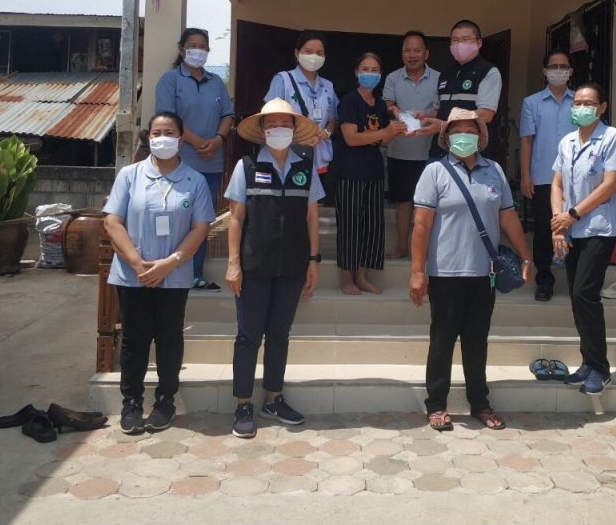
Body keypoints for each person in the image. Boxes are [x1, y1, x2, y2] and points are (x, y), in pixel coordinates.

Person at [410, 108, 533, 432]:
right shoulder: (434, 172)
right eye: (457, 130)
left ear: (480, 136)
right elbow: (421, 225)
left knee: (477, 341)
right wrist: (417, 271)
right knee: (442, 340)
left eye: (470, 130)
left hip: (484, 272)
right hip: (445, 273)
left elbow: (508, 217)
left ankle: (480, 403)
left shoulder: (494, 171)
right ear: (446, 136)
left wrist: (526, 256)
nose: (463, 136)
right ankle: (436, 404)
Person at [103, 111, 215, 434]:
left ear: (181, 138)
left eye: (169, 132)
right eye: (156, 133)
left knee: (169, 338)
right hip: (133, 274)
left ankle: (165, 401)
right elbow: (112, 222)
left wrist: (170, 262)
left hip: (174, 275)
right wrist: (137, 263)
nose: (162, 138)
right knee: (134, 339)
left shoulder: (194, 181)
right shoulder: (130, 175)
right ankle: (132, 403)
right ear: (149, 137)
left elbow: (200, 228)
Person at [224, 99, 324, 439]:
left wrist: (313, 261)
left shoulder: (305, 167)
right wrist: (233, 264)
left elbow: (312, 217)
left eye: (284, 124)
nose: (278, 129)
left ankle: (273, 399)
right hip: (253, 265)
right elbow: (236, 219)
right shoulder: (247, 166)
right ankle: (243, 405)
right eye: (272, 124)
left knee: (280, 335)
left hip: (293, 265)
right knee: (248, 336)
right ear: (262, 130)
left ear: (294, 129)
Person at [549, 84, 616, 396]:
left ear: (602, 107)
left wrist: (572, 214)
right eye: (577, 103)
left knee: (585, 293)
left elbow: (610, 185)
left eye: (588, 103)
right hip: (571, 227)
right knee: (576, 295)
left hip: (599, 227)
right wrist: (559, 223)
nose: (581, 107)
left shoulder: (612, 137)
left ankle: (600, 369)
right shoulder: (567, 141)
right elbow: (557, 184)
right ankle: (587, 362)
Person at [154, 27, 234, 290]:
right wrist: (198, 142)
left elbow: (228, 115)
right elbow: (167, 119)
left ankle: (195, 273)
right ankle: (167, 270)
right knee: (176, 218)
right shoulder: (170, 80)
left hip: (211, 163)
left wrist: (218, 140)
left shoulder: (217, 82)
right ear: (182, 50)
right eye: (192, 46)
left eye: (203, 46)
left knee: (202, 220)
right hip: (178, 162)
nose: (198, 51)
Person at [335, 53, 405, 295]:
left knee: (372, 226)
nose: (370, 74)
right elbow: (351, 138)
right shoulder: (349, 101)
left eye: (375, 70)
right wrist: (384, 133)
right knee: (350, 225)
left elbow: (383, 140)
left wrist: (399, 130)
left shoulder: (380, 104)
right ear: (356, 72)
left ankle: (363, 276)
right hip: (350, 172)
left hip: (374, 171)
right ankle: (347, 278)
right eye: (365, 69)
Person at [519, 50, 575, 302]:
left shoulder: (580, 101)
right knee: (544, 229)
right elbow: (526, 141)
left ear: (571, 71)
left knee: (576, 227)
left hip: (576, 178)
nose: (558, 71)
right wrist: (525, 175)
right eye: (553, 66)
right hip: (543, 176)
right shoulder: (532, 103)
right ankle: (544, 280)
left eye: (564, 66)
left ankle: (576, 280)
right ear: (544, 71)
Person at [383, 31, 440, 258]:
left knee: (427, 203)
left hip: (429, 150)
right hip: (399, 149)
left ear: (426, 53)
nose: (412, 55)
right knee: (403, 201)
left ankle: (423, 248)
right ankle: (402, 246)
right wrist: (396, 111)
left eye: (417, 50)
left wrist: (426, 116)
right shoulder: (393, 78)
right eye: (407, 50)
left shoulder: (439, 78)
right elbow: (388, 104)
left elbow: (440, 110)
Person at [420, 20, 502, 146]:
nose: (459, 44)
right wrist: (425, 117)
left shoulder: (488, 72)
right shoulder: (446, 73)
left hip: (469, 148)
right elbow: (440, 111)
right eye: (455, 40)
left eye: (465, 39)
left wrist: (444, 125)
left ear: (479, 43)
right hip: (442, 147)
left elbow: (486, 114)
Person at [264, 31, 337, 172]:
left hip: (320, 160)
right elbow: (269, 121)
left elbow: (332, 121)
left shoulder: (328, 86)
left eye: (320, 53)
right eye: (308, 51)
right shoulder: (283, 80)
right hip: (288, 155)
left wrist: (326, 133)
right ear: (297, 53)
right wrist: (299, 138)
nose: (314, 57)